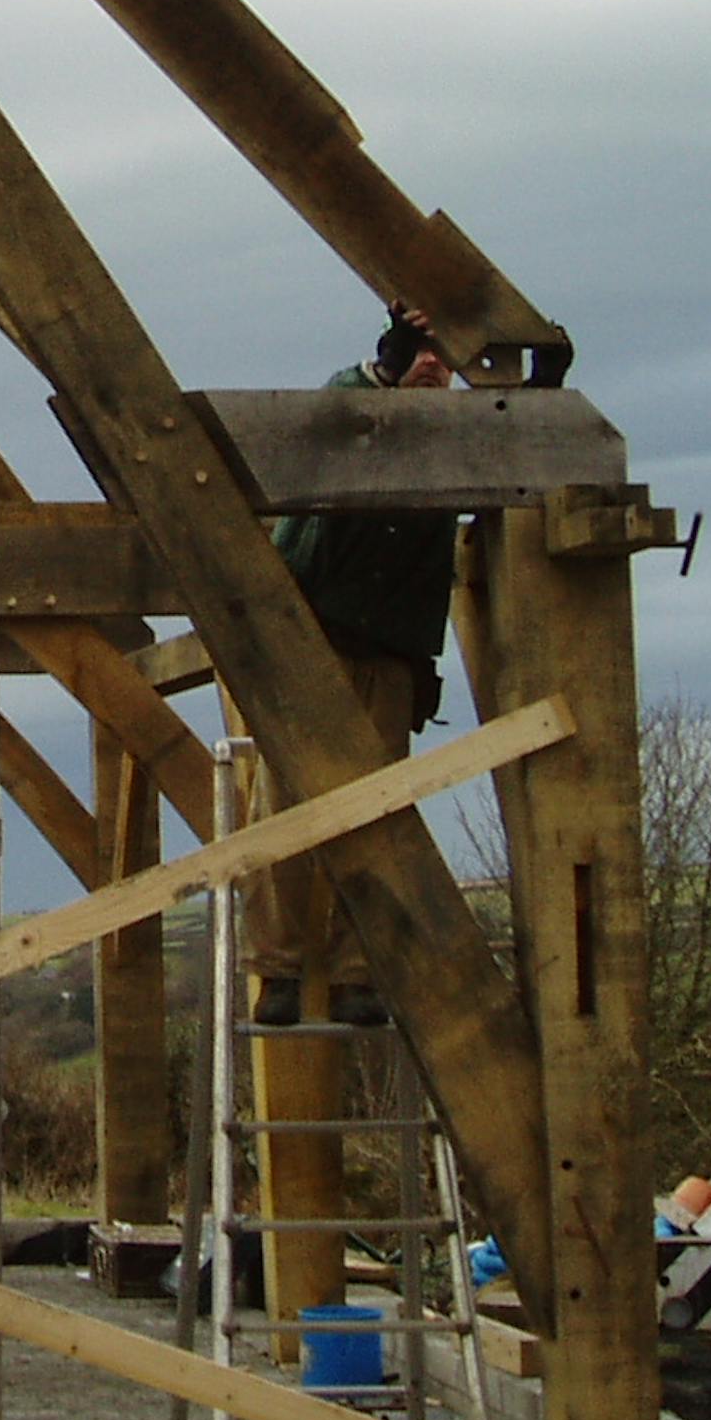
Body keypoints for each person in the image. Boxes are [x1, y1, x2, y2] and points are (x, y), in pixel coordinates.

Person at [247, 303, 462, 1027]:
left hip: (392, 652)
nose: (433, 364)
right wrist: (391, 357)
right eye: (419, 353)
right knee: (286, 806)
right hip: (315, 638)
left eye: (443, 353)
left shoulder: (469, 436)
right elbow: (343, 402)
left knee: (379, 816)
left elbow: (531, 434)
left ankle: (358, 972)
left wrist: (546, 382)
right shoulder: (358, 407)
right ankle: (279, 973)